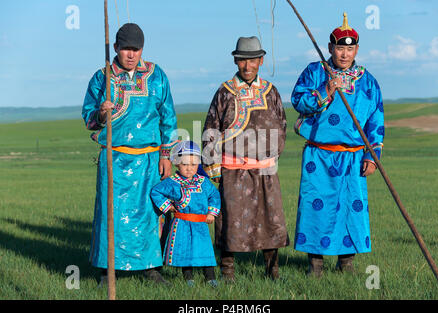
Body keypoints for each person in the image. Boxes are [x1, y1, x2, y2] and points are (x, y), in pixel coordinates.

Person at [82, 23, 178, 285]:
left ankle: (151, 268)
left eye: (136, 49)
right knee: (110, 214)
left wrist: (166, 155)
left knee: (150, 214)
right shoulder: (103, 78)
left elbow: (168, 117)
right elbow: (88, 118)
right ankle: (107, 270)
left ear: (142, 49)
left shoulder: (157, 75)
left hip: (149, 159)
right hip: (114, 158)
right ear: (116, 48)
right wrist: (102, 112)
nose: (131, 54)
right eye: (126, 49)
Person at [291, 13, 384, 277]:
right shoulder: (314, 71)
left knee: (351, 208)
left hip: (354, 157)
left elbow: (376, 120)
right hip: (319, 155)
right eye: (339, 48)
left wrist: (372, 155)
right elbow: (298, 101)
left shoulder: (368, 81)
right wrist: (325, 90)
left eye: (349, 48)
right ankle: (315, 264)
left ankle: (347, 264)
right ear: (330, 47)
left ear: (356, 49)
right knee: (315, 205)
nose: (344, 54)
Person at [202, 36, 289, 281]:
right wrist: (213, 166)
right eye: (242, 61)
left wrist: (272, 154)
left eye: (252, 61)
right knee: (230, 219)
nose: (247, 66)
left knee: (270, 219)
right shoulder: (225, 92)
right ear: (236, 61)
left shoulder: (271, 92)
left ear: (261, 60)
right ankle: (227, 272)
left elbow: (281, 124)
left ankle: (273, 271)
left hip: (265, 169)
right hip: (232, 169)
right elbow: (211, 128)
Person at [150, 141, 221, 287]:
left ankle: (210, 278)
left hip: (201, 224)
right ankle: (188, 278)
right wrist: (168, 206)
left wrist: (212, 213)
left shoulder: (203, 182)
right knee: (185, 250)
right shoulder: (172, 182)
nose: (189, 168)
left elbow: (214, 195)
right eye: (184, 164)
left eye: (193, 164)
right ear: (176, 163)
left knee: (205, 250)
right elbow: (155, 192)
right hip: (182, 223)